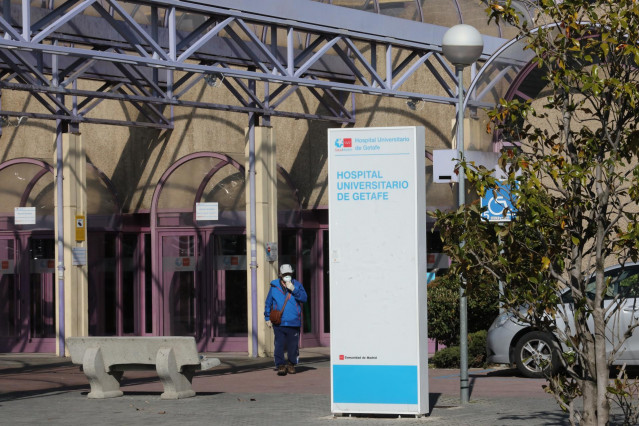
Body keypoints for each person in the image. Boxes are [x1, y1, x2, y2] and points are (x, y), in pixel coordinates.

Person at [264, 263, 307, 376]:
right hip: (279, 322)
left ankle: (291, 364)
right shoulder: (274, 286)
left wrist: (294, 289)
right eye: (285, 274)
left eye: (289, 274)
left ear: (292, 273)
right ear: (280, 274)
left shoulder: (297, 284)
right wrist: (267, 317)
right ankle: (280, 365)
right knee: (279, 344)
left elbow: (304, 298)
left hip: (293, 321)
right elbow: (268, 303)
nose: (287, 276)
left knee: (293, 345)